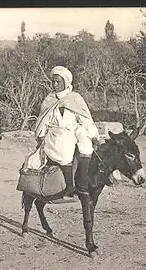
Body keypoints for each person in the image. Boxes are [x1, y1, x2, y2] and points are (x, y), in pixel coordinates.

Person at [32, 66, 100, 200]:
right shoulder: (49, 100)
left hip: (73, 128)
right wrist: (40, 137)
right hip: (56, 131)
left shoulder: (75, 98)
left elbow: (85, 119)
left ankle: (83, 180)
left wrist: (93, 136)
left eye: (58, 82)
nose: (55, 85)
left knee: (85, 141)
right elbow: (43, 121)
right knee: (65, 144)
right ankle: (69, 186)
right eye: (53, 82)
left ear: (66, 82)